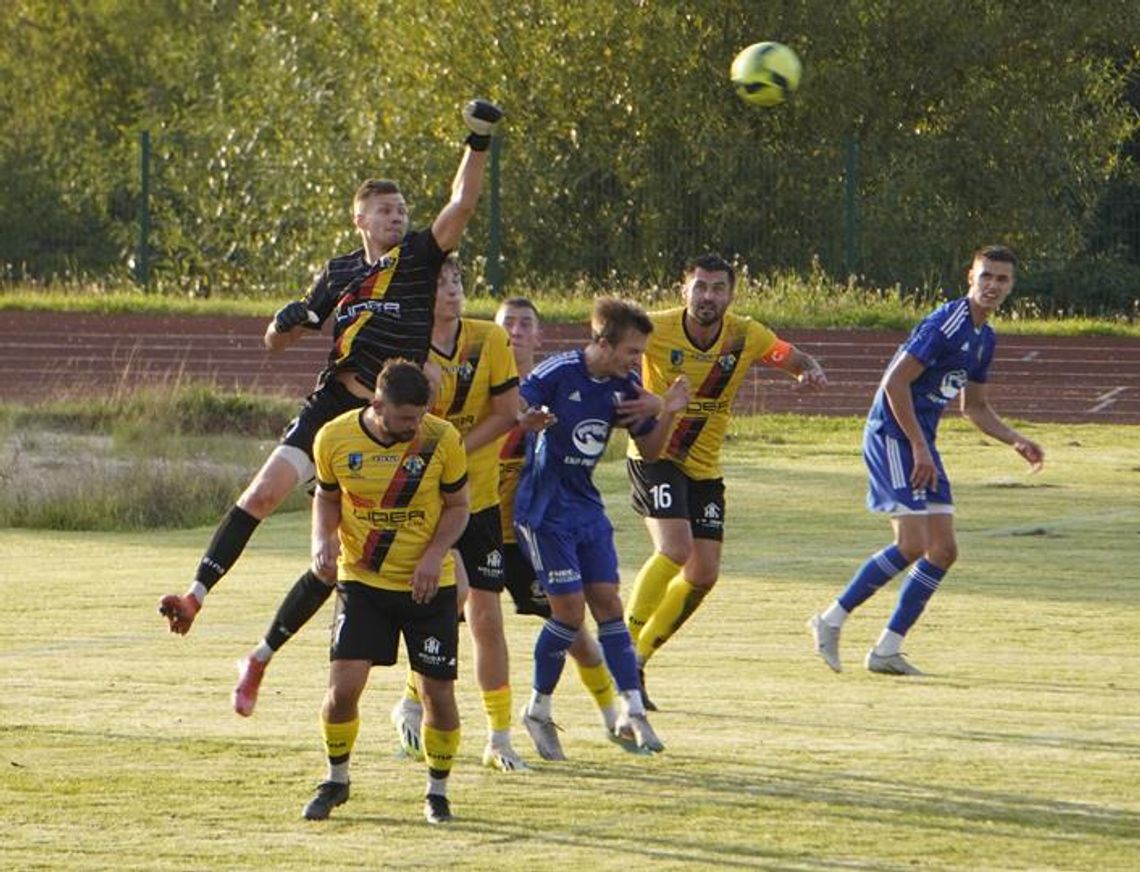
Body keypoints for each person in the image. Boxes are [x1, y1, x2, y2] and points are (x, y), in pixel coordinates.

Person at [155, 100, 503, 718]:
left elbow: (463, 205)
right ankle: (195, 594)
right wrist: (279, 326)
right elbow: (282, 337)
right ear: (360, 218)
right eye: (386, 210)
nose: (399, 217)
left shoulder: (421, 259)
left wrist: (476, 142)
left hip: (392, 424)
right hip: (333, 409)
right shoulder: (340, 272)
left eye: (402, 210)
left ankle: (265, 658)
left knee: (345, 563)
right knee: (261, 495)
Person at [808, 244, 1045, 675]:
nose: (992, 285)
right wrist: (918, 445)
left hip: (919, 440)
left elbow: (973, 407)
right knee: (912, 543)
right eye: (986, 276)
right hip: (893, 435)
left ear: (1012, 286)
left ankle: (887, 650)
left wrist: (1015, 439)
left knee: (943, 550)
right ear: (969, 276)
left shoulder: (984, 337)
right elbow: (893, 385)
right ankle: (830, 620)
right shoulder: (947, 324)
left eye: (1002, 279)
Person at [624, 253, 827, 709]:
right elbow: (608, 348)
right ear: (684, 289)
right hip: (657, 454)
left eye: (718, 288)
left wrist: (807, 372)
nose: (708, 296)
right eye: (700, 287)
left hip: (705, 468)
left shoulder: (746, 335)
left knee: (703, 573)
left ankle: (637, 659)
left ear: (730, 295)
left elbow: (791, 356)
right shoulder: (654, 329)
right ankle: (620, 648)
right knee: (674, 549)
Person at [515, 297, 690, 759]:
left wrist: (669, 409)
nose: (638, 361)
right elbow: (514, 410)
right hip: (544, 508)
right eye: (633, 351)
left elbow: (651, 450)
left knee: (609, 604)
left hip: (585, 508)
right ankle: (538, 708)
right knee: (569, 614)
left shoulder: (624, 386)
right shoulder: (557, 373)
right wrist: (526, 421)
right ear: (603, 342)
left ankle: (634, 711)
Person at [301, 360, 468, 824]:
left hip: (427, 586)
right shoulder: (333, 438)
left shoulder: (441, 438)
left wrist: (435, 554)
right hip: (363, 581)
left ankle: (437, 792)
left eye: (419, 418)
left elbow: (459, 506)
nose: (414, 428)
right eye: (404, 420)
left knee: (438, 694)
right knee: (343, 690)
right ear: (377, 404)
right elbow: (327, 497)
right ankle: (336, 779)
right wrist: (321, 540)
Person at [388, 257, 531, 772]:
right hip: (427, 503)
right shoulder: (404, 345)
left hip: (482, 498)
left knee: (485, 617)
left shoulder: (489, 340)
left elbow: (508, 413)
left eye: (457, 281)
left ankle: (499, 737)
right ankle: (410, 703)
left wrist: (453, 447)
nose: (452, 290)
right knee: (444, 606)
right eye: (441, 281)